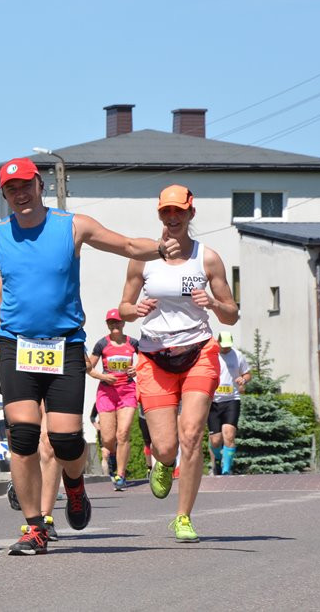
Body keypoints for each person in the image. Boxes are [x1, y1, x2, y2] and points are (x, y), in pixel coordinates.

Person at [0, 157, 179, 556]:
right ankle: (35, 526)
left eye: (26, 186)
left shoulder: (72, 225)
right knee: (23, 435)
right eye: (11, 190)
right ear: (5, 196)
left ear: (40, 186)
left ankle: (75, 483)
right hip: (17, 344)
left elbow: (124, 245)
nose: (20, 194)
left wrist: (158, 247)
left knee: (67, 440)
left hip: (64, 345)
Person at [119, 184, 239, 543]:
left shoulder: (208, 258)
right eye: (166, 212)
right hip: (154, 357)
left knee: (192, 433)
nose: (172, 218)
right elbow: (123, 307)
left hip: (198, 352)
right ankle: (165, 463)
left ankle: (183, 517)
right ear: (159, 215)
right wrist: (134, 309)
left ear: (190, 214)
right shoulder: (142, 257)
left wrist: (214, 305)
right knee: (167, 446)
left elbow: (231, 314)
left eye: (179, 212)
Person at [0, 277, 63, 541]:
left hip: (52, 372)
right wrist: (14, 349)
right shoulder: (7, 282)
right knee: (24, 443)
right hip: (20, 376)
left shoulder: (58, 274)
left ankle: (46, 517)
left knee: (51, 443)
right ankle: (29, 501)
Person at [87, 308, 139, 491]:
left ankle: (121, 475)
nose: (114, 325)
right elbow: (89, 368)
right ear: (107, 325)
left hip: (127, 391)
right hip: (107, 392)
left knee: (123, 434)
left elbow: (148, 362)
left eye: (117, 321)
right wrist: (103, 377)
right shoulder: (102, 344)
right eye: (111, 322)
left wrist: (137, 369)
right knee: (108, 439)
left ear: (123, 323)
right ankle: (112, 457)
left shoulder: (133, 343)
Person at [208, 331, 251, 476]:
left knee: (229, 435)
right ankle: (218, 460)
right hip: (213, 402)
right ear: (218, 342)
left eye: (228, 346)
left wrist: (243, 380)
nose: (225, 349)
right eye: (223, 346)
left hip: (232, 399)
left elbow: (247, 373)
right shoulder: (211, 355)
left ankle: (226, 470)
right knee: (216, 440)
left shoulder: (237, 355)